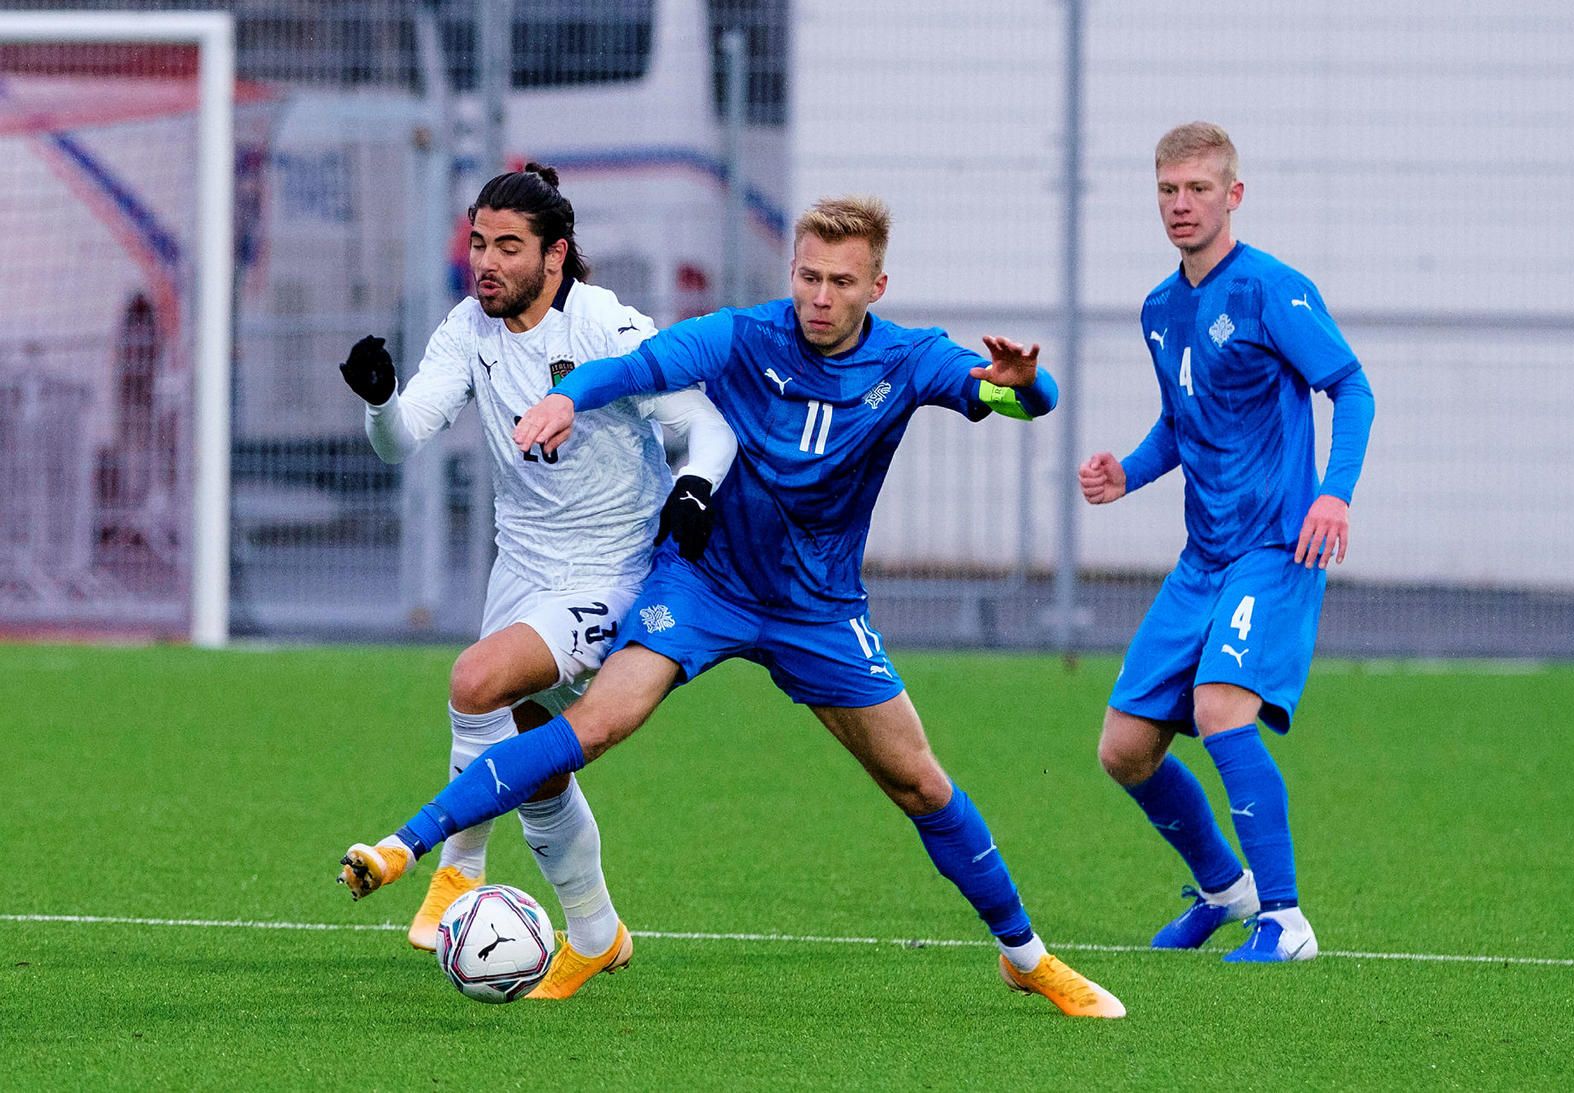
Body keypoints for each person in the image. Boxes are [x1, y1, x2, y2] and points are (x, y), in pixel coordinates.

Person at [338, 196, 1126, 1018]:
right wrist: (573, 396)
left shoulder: (912, 358)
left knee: (919, 782)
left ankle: (1027, 957)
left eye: (841, 281)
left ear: (877, 286)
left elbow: (1013, 398)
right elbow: (645, 366)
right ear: (791, 270)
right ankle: (410, 847)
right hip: (702, 584)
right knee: (589, 726)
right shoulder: (747, 334)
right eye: (808, 275)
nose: (820, 295)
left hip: (818, 607)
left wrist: (1028, 387)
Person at [337, 163, 736, 999]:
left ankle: (459, 870)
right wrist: (378, 401)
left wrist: (695, 487)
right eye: (479, 242)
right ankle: (596, 932)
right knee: (533, 755)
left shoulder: (606, 326)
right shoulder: (468, 329)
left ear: (555, 257)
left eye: (507, 247)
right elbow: (402, 437)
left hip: (613, 567)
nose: (486, 261)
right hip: (519, 565)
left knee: (475, 679)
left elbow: (706, 424)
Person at [1078, 123, 1375, 962]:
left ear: (1232, 195)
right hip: (1201, 558)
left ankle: (1284, 920)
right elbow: (1182, 422)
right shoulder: (1159, 308)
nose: (1181, 204)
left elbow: (1351, 389)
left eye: (1198, 189)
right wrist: (1125, 473)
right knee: (1125, 748)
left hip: (1275, 547)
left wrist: (1334, 495)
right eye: (1168, 190)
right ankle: (1224, 889)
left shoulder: (1272, 289)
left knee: (1218, 711)